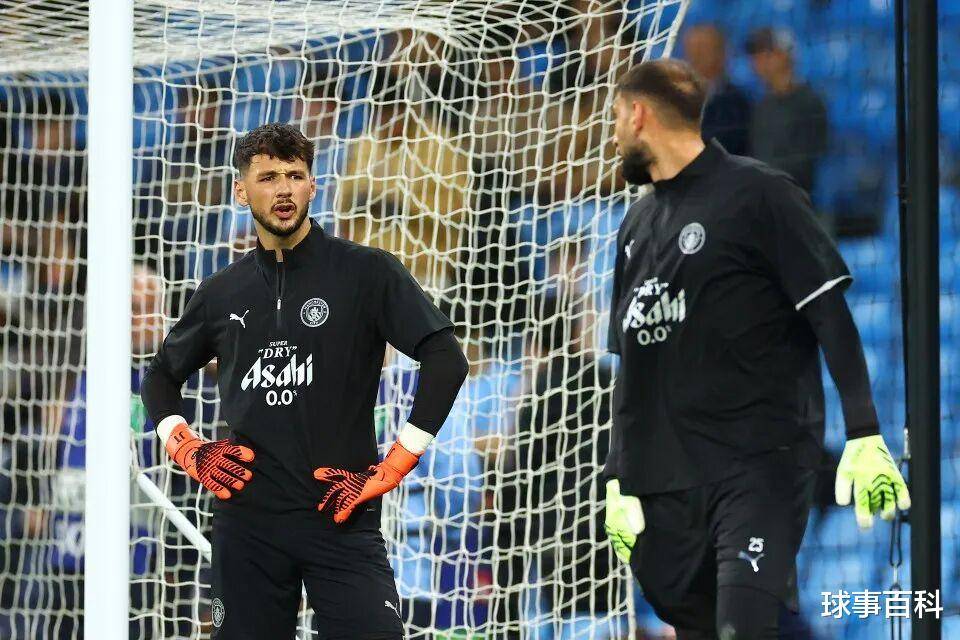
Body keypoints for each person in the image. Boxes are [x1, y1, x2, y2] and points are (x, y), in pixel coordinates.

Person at [602, 59, 910, 639]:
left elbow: (829, 312)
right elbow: (630, 367)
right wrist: (617, 477)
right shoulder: (634, 228)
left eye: (616, 117)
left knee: (739, 628)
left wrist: (864, 432)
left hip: (758, 466)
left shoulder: (759, 192)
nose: (614, 133)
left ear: (639, 115)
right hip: (668, 484)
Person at [141, 123, 469, 640]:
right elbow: (160, 376)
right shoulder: (222, 292)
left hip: (341, 514)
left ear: (313, 186)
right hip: (248, 524)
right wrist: (185, 445)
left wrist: (396, 463)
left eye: (295, 175)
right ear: (241, 191)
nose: (284, 189)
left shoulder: (367, 272)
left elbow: (447, 360)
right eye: (268, 177)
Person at [746, 27, 828, 196]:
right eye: (756, 54)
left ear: (785, 55)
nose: (759, 61)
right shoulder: (762, 106)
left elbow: (806, 162)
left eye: (767, 53)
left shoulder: (809, 103)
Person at [682, 24, 751, 156]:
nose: (696, 56)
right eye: (691, 50)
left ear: (722, 53)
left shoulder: (738, 103)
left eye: (703, 49)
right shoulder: (673, 100)